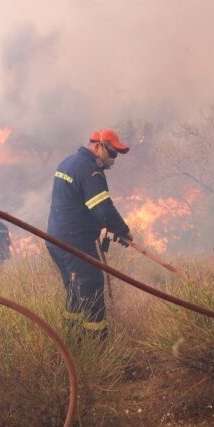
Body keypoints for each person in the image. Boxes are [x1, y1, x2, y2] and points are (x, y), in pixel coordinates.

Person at [46, 129, 133, 339]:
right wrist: (123, 231)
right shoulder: (90, 170)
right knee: (92, 286)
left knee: (75, 289)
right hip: (75, 242)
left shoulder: (68, 163)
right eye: (112, 153)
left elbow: (76, 205)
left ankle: (72, 340)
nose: (114, 159)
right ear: (98, 146)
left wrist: (101, 227)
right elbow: (103, 208)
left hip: (56, 240)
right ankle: (96, 345)